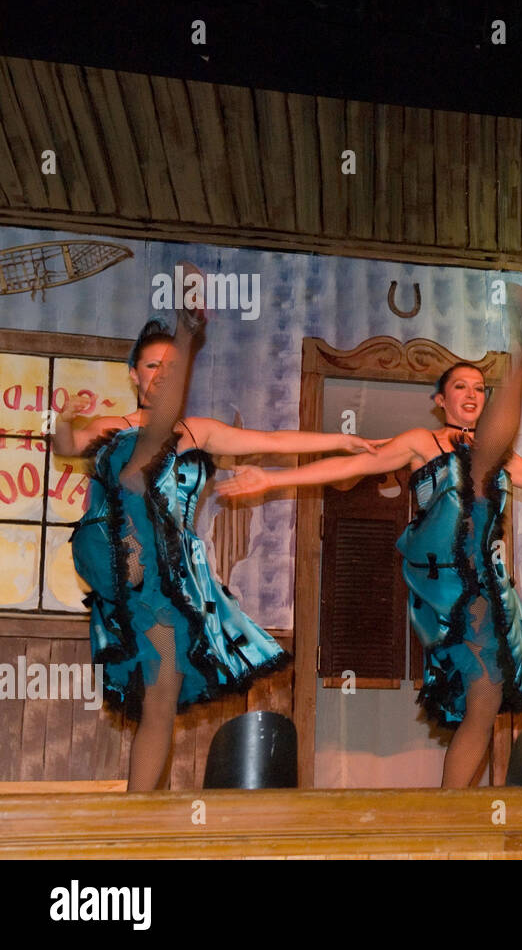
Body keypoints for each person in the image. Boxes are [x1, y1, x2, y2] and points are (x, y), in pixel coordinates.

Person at [217, 284, 522, 787]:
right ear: (439, 401)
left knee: (486, 699)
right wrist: (273, 478)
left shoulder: (502, 456)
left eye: (480, 388)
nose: (472, 394)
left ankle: (450, 807)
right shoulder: (419, 443)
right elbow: (354, 463)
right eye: (461, 387)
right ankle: (521, 361)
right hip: (444, 577)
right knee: (483, 691)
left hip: (486, 580)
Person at [56, 307, 383, 791]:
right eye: (153, 366)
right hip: (122, 553)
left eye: (172, 365)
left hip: (174, 574)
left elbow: (271, 441)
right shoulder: (111, 425)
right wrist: (63, 422)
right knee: (142, 450)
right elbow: (66, 440)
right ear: (133, 374)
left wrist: (339, 439)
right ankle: (189, 332)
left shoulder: (199, 431)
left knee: (161, 692)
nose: (161, 374)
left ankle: (138, 811)